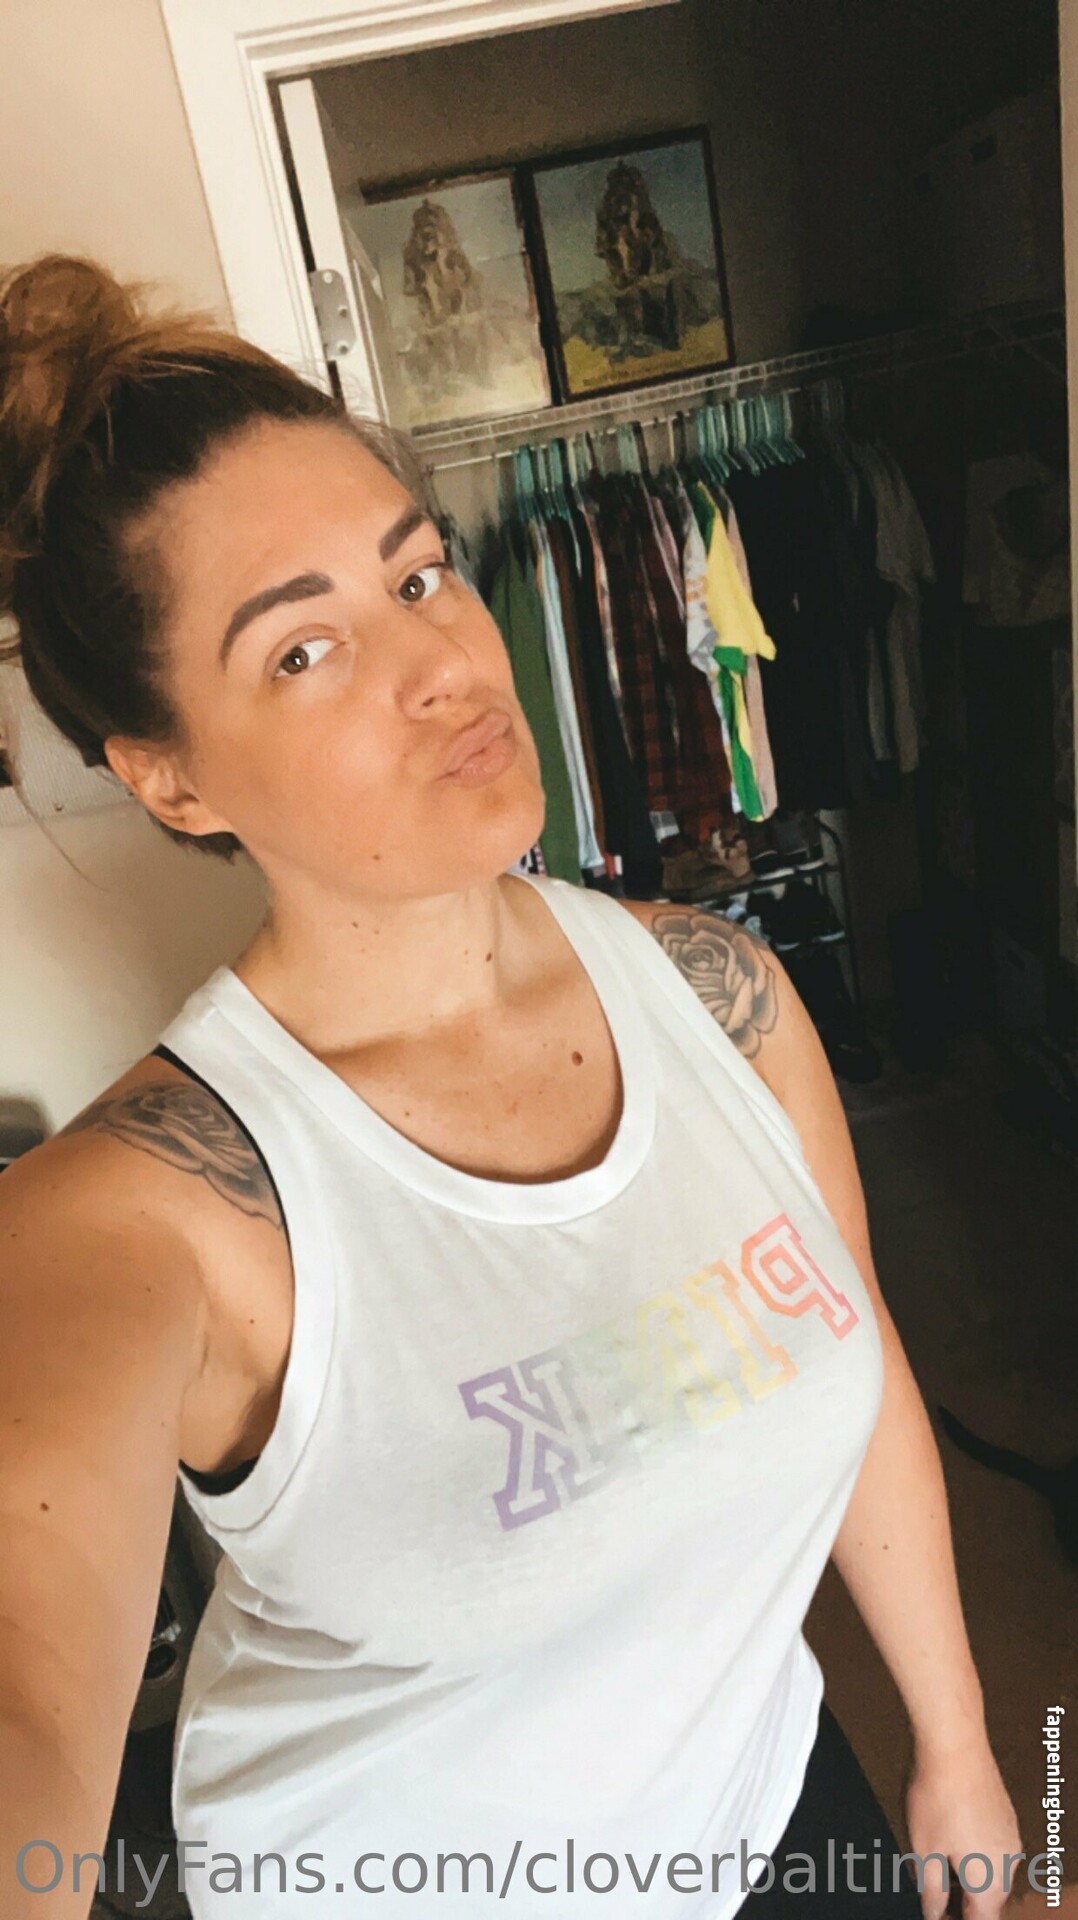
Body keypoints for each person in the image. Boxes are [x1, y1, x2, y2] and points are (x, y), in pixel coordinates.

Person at [0, 256, 1021, 1920]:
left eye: (418, 575)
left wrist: (960, 1741)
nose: (439, 665)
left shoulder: (723, 995)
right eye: (303, 650)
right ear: (169, 778)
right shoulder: (138, 1212)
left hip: (771, 1814)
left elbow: (858, 1364)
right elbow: (29, 1694)